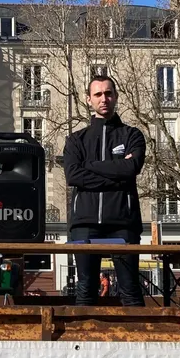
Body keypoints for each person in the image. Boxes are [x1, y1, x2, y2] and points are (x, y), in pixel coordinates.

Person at [63, 75, 147, 307]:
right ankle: (83, 341)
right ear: (88, 99)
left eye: (108, 93)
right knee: (85, 291)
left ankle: (139, 341)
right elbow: (73, 176)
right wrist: (117, 175)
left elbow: (131, 168)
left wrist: (90, 166)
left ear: (116, 96)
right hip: (85, 224)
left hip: (123, 223)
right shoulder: (76, 140)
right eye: (98, 94)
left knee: (130, 290)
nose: (104, 99)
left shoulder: (132, 135)